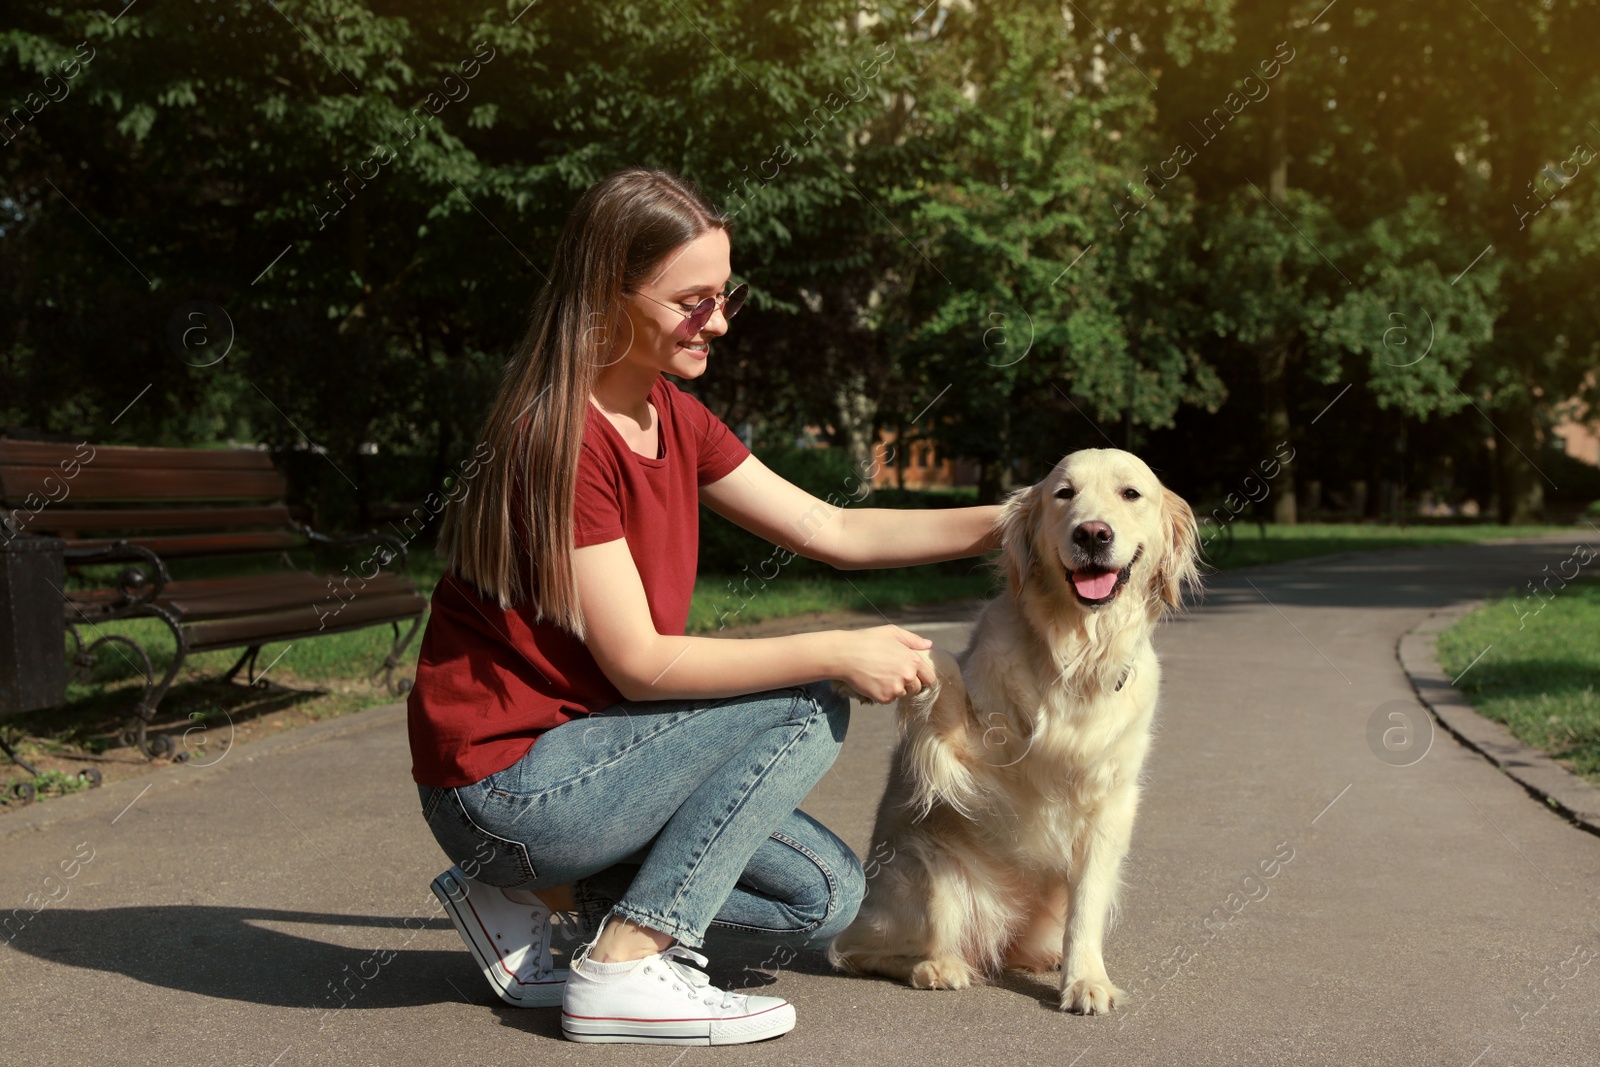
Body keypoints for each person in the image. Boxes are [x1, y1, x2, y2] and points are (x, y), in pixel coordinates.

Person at [407, 167, 1002, 1046]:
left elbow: (828, 528)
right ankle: (625, 965)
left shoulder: (673, 416)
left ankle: (534, 894)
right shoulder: (560, 437)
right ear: (608, 295)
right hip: (508, 789)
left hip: (593, 771)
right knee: (808, 699)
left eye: (725, 297)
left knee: (821, 896)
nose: (717, 322)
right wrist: (835, 649)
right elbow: (642, 664)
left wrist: (1019, 519)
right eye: (693, 301)